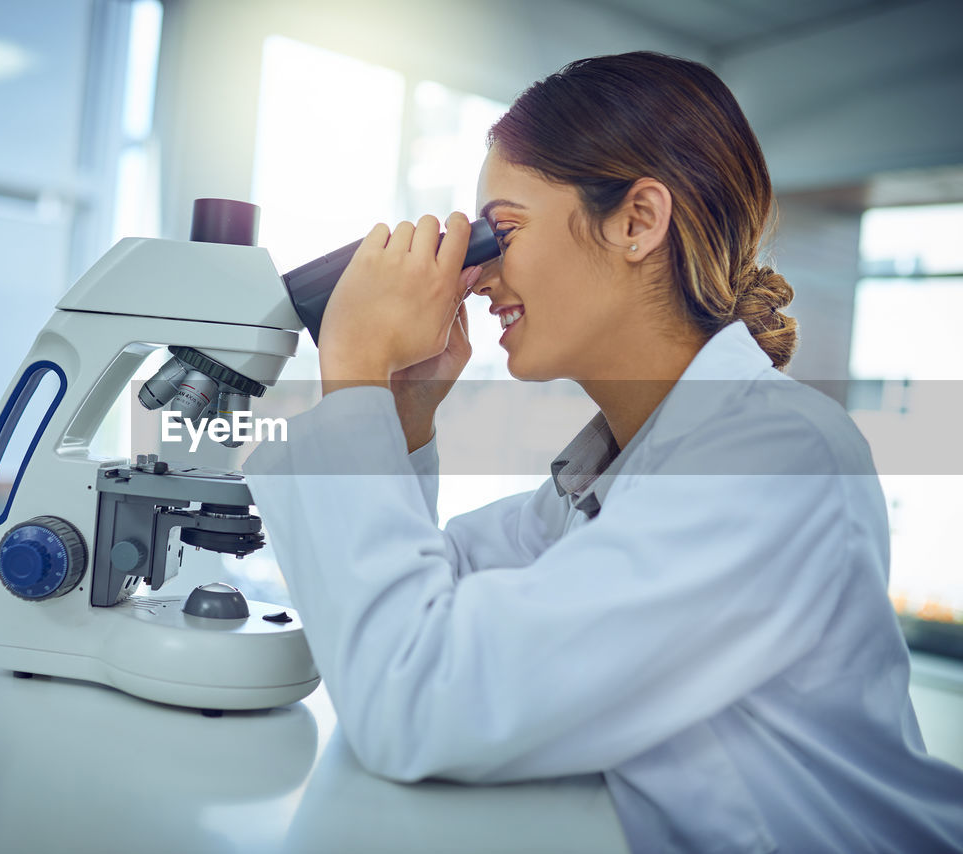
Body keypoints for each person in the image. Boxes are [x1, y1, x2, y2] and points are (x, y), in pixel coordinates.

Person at [240, 51, 963, 852]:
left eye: (501, 231)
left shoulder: (777, 457)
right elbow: (412, 603)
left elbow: (417, 699)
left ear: (637, 221)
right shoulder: (611, 475)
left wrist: (354, 371)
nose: (476, 278)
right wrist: (401, 409)